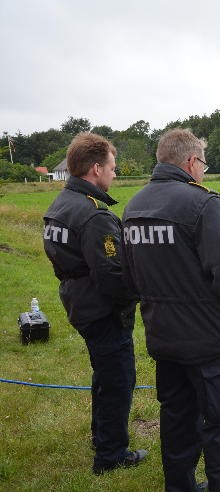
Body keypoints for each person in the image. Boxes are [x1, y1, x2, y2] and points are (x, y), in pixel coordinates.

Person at [122, 128, 220, 492]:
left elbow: (129, 273)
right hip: (208, 341)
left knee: (177, 418)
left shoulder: (134, 206)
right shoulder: (202, 204)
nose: (204, 171)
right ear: (189, 162)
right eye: (203, 163)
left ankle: (179, 487)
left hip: (163, 336)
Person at [42, 132, 147, 474]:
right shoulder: (94, 216)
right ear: (96, 168)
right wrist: (141, 293)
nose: (115, 175)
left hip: (77, 302)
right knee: (118, 380)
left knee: (104, 375)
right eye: (113, 168)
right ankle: (111, 455)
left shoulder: (59, 205)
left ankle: (101, 435)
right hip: (102, 312)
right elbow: (113, 277)